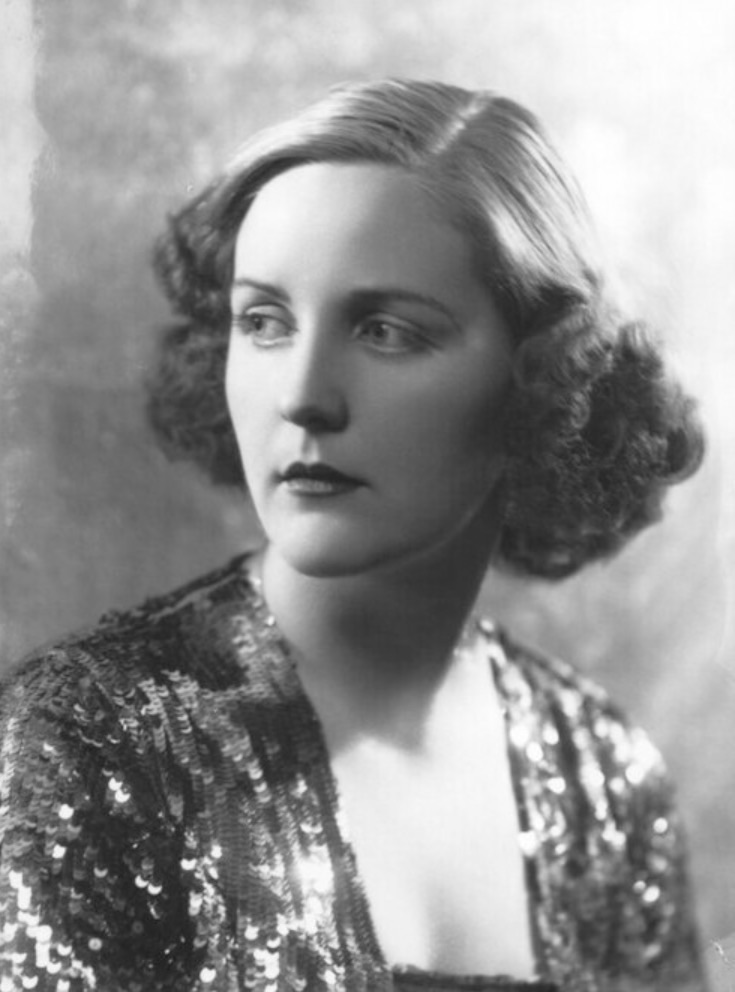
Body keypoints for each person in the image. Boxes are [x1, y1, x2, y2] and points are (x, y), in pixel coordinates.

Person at [0, 79, 707, 991]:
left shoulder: (601, 775)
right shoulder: (92, 742)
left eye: (384, 331)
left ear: (543, 375)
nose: (302, 396)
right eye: (263, 322)